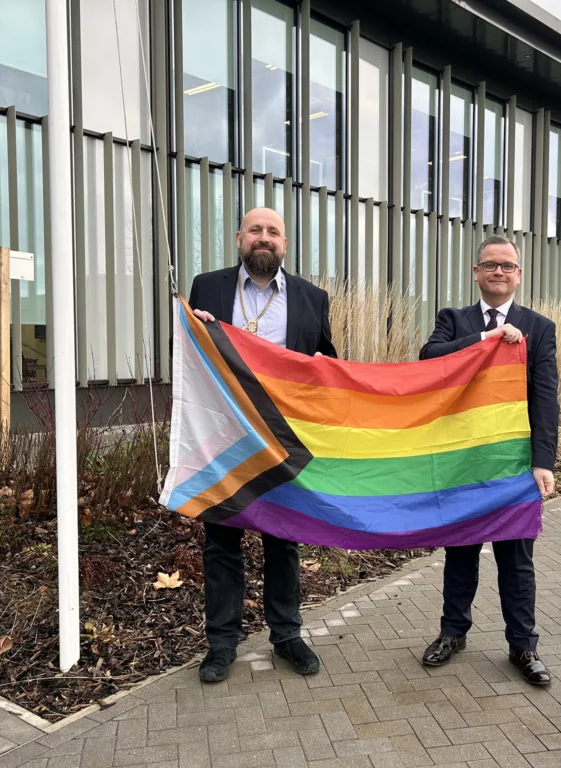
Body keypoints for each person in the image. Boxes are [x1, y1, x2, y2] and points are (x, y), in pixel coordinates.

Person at [188, 207, 337, 683]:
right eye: (256, 230)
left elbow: (328, 362)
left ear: (285, 244)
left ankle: (287, 634)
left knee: (283, 538)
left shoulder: (313, 299)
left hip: (284, 436)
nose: (264, 238)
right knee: (222, 541)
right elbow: (187, 353)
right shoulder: (207, 287)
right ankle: (221, 643)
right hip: (224, 435)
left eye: (273, 231)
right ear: (239, 238)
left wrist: (320, 367)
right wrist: (196, 330)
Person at [417, 234, 559, 686]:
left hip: (513, 464)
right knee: (460, 552)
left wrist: (543, 460)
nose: (498, 272)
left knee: (516, 559)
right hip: (464, 463)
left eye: (507, 266)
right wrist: (487, 337)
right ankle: (452, 633)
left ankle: (523, 645)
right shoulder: (453, 320)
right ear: (476, 273)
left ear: (519, 275)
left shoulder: (540, 327)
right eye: (490, 265)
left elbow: (545, 398)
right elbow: (428, 359)